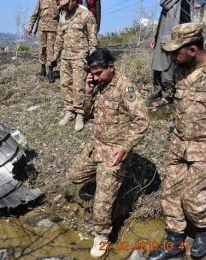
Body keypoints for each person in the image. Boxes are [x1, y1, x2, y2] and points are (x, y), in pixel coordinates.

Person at [148, 22, 206, 260]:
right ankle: (175, 238)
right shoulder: (180, 70)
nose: (172, 57)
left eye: (176, 52)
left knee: (192, 197)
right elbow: (177, 97)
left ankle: (203, 229)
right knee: (170, 192)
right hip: (179, 143)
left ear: (192, 49)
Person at [65, 48, 149, 257]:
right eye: (92, 73)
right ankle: (105, 189)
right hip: (97, 146)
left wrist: (125, 147)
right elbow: (85, 113)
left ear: (111, 68)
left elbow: (142, 121)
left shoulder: (125, 87)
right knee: (73, 176)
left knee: (102, 202)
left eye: (98, 72)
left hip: (114, 151)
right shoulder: (98, 86)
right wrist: (87, 90)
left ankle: (101, 235)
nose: (95, 77)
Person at [52, 0, 97, 132]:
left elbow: (93, 40)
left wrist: (92, 60)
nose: (64, 7)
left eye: (66, 4)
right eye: (62, 6)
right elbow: (60, 37)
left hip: (80, 57)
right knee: (65, 84)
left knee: (78, 86)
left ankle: (80, 114)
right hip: (66, 57)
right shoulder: (64, 16)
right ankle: (69, 110)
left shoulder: (86, 15)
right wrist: (55, 56)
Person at [148, 0, 191, 108]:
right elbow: (161, 23)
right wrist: (155, 37)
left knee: (167, 69)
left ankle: (168, 96)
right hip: (161, 39)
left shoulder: (182, 3)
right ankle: (157, 93)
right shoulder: (166, 5)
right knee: (157, 66)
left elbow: (186, 24)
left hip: (172, 41)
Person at [28, 0, 60, 83]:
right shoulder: (41, 1)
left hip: (53, 29)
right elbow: (35, 14)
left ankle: (50, 71)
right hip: (42, 28)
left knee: (51, 50)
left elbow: (64, 12)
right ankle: (42, 69)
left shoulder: (59, 1)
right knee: (42, 49)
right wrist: (31, 26)